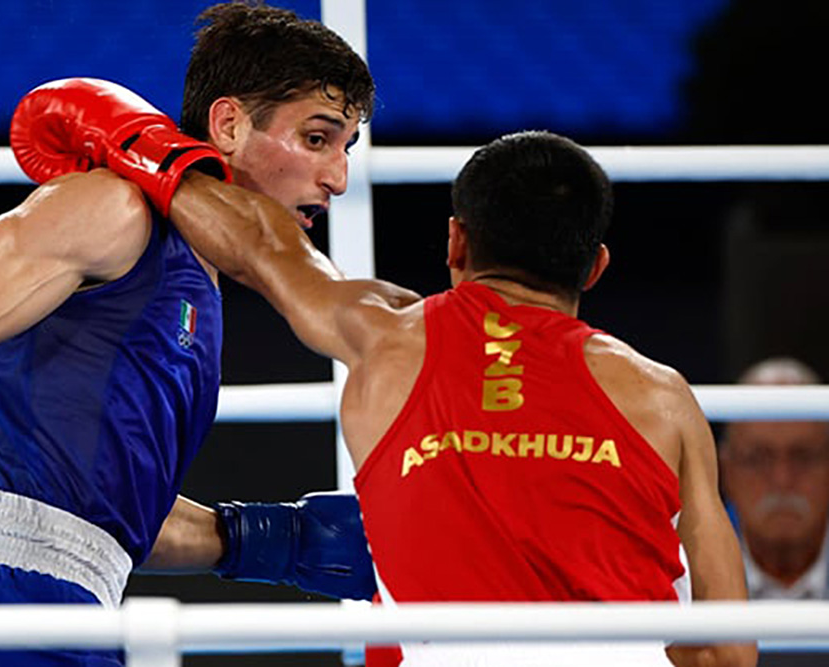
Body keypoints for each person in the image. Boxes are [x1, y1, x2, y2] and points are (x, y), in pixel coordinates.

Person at [0, 3, 376, 666]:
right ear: (229, 124)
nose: (338, 177)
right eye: (318, 140)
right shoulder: (116, 210)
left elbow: (88, 519)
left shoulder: (195, 286)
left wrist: (270, 538)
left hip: (77, 605)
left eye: (346, 149)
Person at [154, 130, 758, 666]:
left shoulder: (388, 340)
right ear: (595, 267)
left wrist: (137, 148)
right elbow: (727, 649)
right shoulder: (664, 397)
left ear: (455, 244)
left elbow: (262, 245)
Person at [720, 357, 829, 599]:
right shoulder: (684, 573)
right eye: (758, 458)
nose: (782, 479)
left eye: (804, 456)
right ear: (727, 471)